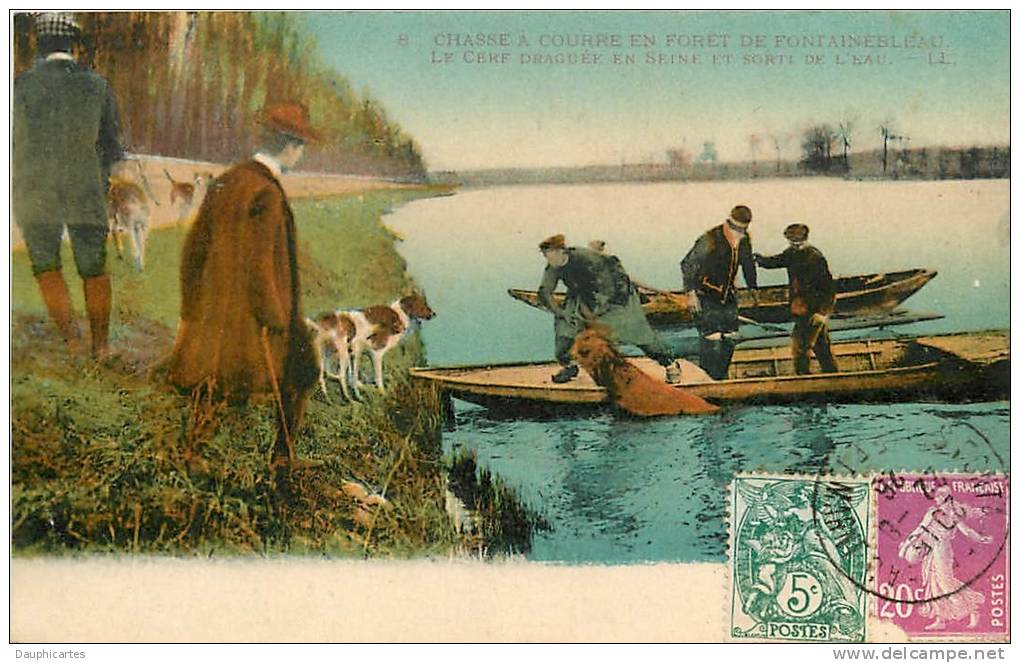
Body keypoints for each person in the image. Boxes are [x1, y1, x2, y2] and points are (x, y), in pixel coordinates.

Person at [167, 103, 321, 467]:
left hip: (217, 313)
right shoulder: (266, 192)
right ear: (288, 144)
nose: (301, 153)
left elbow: (193, 251)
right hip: (258, 314)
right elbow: (259, 263)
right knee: (304, 369)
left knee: (216, 383)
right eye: (300, 145)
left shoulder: (227, 181)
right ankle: (282, 456)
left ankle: (193, 451)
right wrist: (276, 319)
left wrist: (191, 308)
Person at [13, 12, 124, 360]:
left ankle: (72, 343)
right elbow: (112, 146)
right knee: (94, 266)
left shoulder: (18, 87)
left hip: (35, 189)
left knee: (46, 264)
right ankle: (102, 347)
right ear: (73, 44)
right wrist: (100, 180)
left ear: (38, 45)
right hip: (85, 187)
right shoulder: (97, 86)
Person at [537, 234, 683, 383]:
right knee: (565, 331)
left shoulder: (588, 259)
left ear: (561, 251)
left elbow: (609, 286)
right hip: (582, 297)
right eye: (545, 255)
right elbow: (544, 291)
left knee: (636, 332)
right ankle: (570, 366)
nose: (547, 259)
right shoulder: (553, 266)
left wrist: (598, 312)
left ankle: (670, 364)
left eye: (549, 255)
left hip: (618, 295)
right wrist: (560, 312)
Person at [680, 205, 758, 380]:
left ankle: (721, 378)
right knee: (712, 338)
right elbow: (687, 264)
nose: (739, 233)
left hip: (728, 296)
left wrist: (753, 287)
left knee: (731, 336)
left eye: (743, 229)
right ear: (728, 222)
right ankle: (707, 379)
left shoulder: (744, 240)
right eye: (736, 228)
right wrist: (690, 293)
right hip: (705, 295)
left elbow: (747, 264)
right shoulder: (710, 239)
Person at [755, 223, 838, 375]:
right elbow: (775, 261)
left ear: (802, 239)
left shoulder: (815, 257)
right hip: (800, 308)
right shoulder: (791, 253)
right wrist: (758, 259)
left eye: (793, 239)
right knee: (822, 347)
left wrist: (822, 313)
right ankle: (835, 379)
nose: (791, 243)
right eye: (789, 239)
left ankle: (803, 382)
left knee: (800, 348)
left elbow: (828, 288)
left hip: (813, 311)